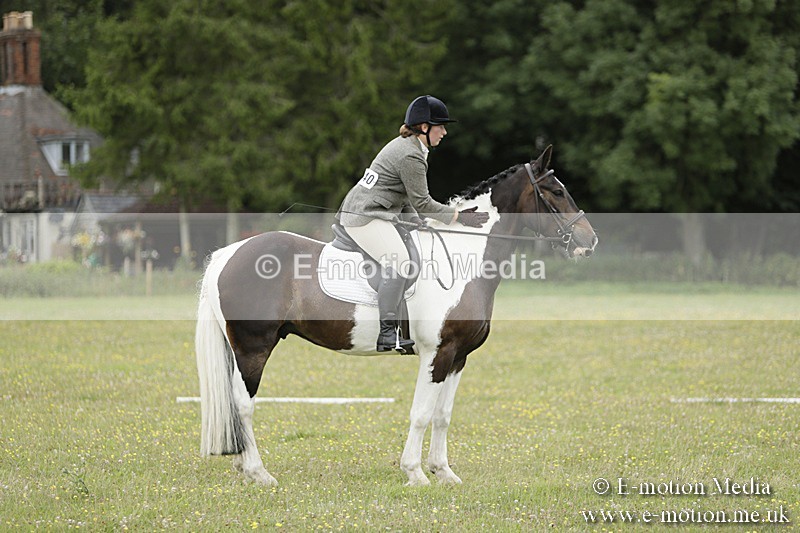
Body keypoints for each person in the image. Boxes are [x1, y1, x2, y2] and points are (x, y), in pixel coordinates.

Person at [336, 95, 489, 353]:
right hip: (365, 217)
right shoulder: (410, 155)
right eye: (440, 125)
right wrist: (458, 216)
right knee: (400, 261)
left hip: (373, 211)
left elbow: (405, 197)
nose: (445, 131)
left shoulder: (409, 147)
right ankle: (387, 333)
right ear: (424, 127)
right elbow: (423, 202)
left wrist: (417, 222)